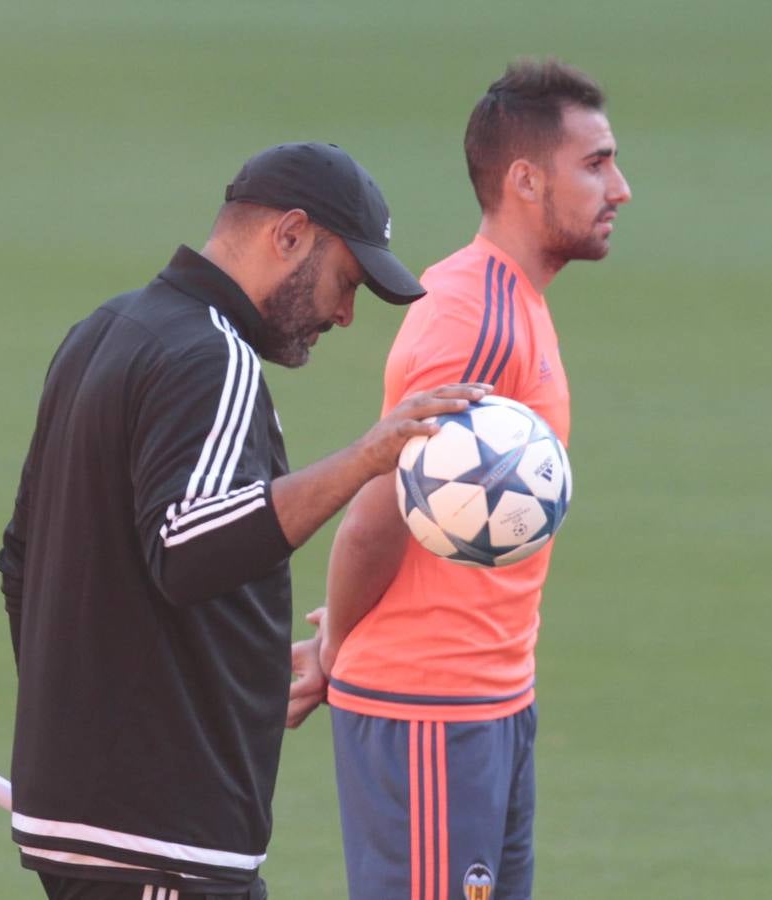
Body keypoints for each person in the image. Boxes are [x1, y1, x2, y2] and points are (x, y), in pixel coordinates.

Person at [0, 141, 488, 900]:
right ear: (289, 234)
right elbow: (190, 550)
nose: (346, 314)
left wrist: (234, 678)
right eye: (345, 280)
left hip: (94, 833)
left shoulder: (103, 331)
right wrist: (364, 459)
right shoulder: (210, 355)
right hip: (161, 842)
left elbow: (24, 562)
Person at [285, 59, 631, 899]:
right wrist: (335, 653)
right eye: (595, 164)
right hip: (430, 708)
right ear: (523, 179)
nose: (619, 188)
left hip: (487, 698)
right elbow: (376, 516)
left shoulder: (512, 303)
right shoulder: (473, 323)